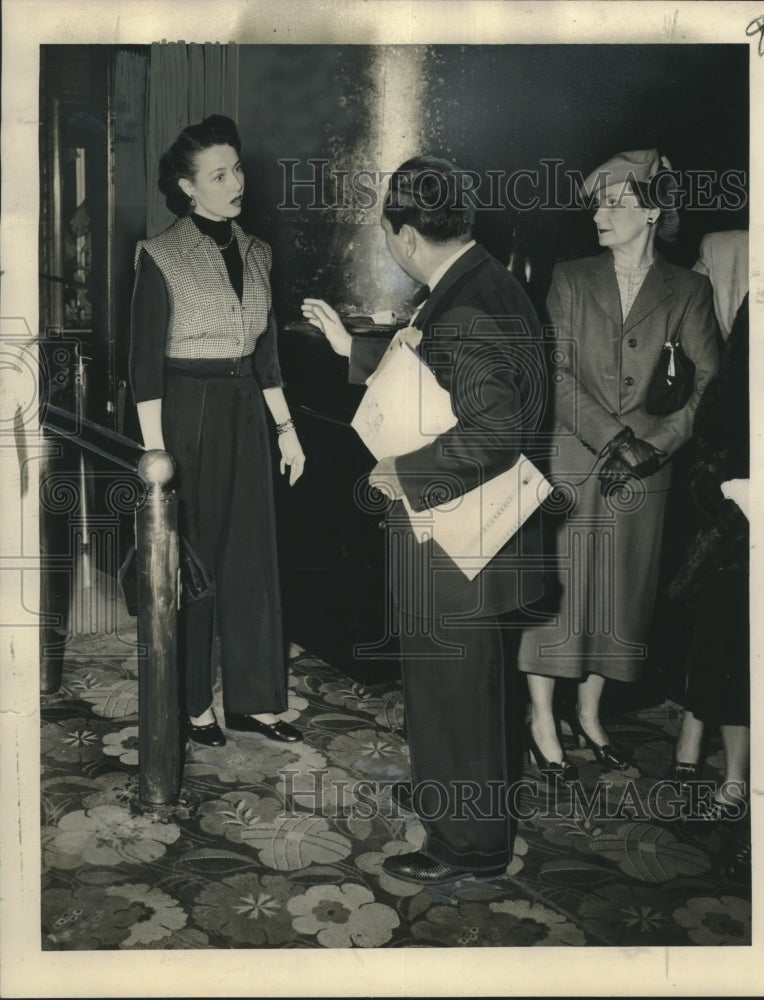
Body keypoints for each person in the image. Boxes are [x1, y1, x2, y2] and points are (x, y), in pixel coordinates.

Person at [302, 155, 547, 885]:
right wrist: (361, 351)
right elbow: (438, 365)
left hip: (458, 538)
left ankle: (469, 843)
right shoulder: (481, 282)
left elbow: (492, 431)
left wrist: (402, 471)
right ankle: (454, 789)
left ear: (404, 235)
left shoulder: (466, 303)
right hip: (475, 535)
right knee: (461, 686)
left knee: (452, 686)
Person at [517, 149, 720, 779]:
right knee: (563, 594)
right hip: (575, 459)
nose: (599, 214)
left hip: (644, 472)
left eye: (615, 201)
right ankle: (542, 719)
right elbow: (555, 369)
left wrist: (655, 445)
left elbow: (712, 381)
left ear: (653, 211)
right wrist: (613, 438)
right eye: (597, 202)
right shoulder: (572, 276)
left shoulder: (688, 288)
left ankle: (591, 711)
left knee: (620, 595)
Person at [129, 115, 305, 749]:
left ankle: (257, 701)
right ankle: (193, 702)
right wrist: (155, 453)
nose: (236, 183)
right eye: (219, 175)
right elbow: (143, 365)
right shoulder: (159, 254)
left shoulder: (257, 251)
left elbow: (267, 357)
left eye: (238, 170)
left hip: (244, 411)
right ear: (187, 187)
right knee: (194, 563)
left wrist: (286, 429)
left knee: (254, 556)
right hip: (186, 412)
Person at [668, 282, 750, 882]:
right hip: (741, 523)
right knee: (721, 640)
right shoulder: (762, 307)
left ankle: (737, 782)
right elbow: (717, 423)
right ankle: (696, 760)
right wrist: (729, 495)